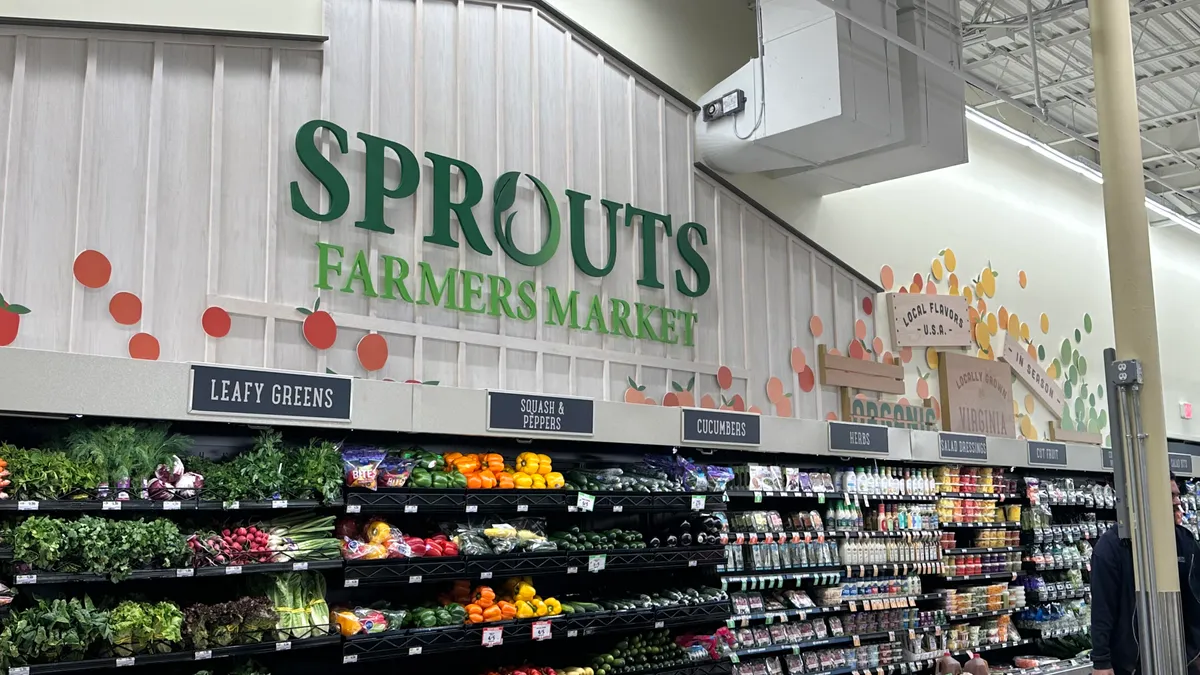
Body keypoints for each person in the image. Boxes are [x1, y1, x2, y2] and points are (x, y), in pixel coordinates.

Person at [1090, 473, 1200, 675]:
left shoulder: (1185, 541)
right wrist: (1101, 661)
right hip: (1133, 662)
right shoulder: (1112, 547)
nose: (1177, 501)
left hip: (1186, 658)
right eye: (1170, 496)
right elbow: (1102, 608)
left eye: (1177, 495)